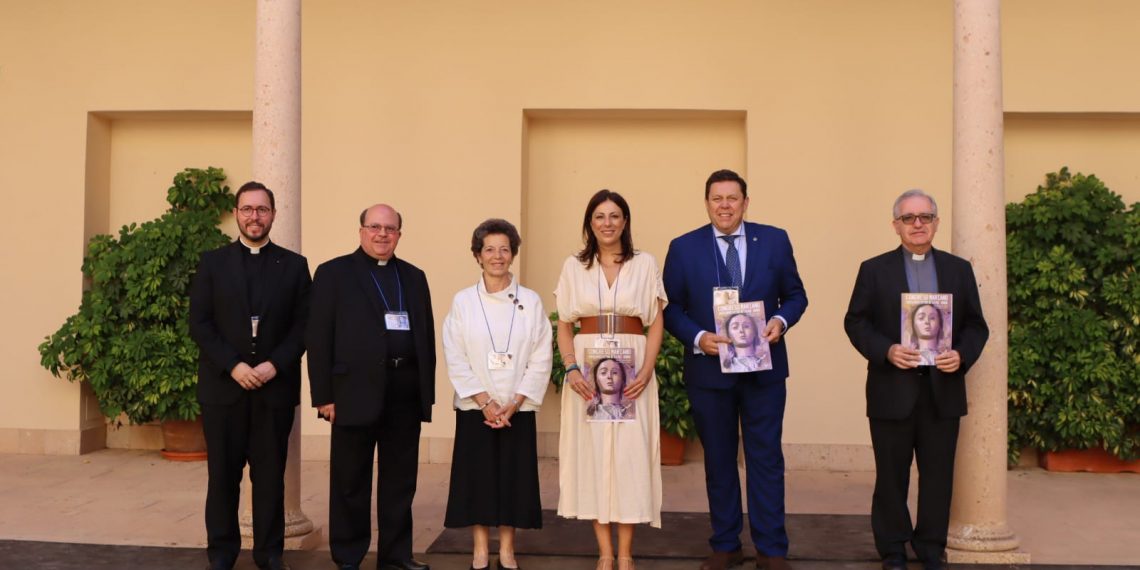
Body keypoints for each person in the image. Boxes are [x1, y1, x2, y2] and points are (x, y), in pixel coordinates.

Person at [662, 169, 808, 570]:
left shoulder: (774, 240)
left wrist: (781, 321)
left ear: (745, 202)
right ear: (706, 203)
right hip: (710, 373)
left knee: (765, 459)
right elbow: (671, 308)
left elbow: (796, 295)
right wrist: (697, 338)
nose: (724, 205)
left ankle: (772, 549)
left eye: (732, 198)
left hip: (765, 372)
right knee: (719, 460)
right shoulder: (684, 247)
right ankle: (726, 544)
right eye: (716, 198)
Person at [843, 189, 989, 570]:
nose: (918, 224)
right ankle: (892, 548)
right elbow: (855, 321)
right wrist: (887, 350)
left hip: (942, 390)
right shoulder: (873, 269)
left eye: (925, 217)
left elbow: (977, 325)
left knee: (938, 476)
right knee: (891, 475)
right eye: (909, 218)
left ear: (936, 222)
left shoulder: (959, 269)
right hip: (892, 388)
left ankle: (929, 546)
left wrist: (962, 355)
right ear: (896, 225)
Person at [189, 181, 311, 570]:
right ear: (237, 214)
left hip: (273, 392)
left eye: (262, 209)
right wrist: (235, 365)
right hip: (224, 389)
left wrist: (274, 364)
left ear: (273, 214)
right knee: (222, 479)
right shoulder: (213, 262)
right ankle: (222, 554)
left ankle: (269, 554)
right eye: (247, 209)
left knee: (271, 480)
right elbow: (201, 323)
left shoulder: (294, 265)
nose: (254, 216)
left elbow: (304, 325)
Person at [307, 204, 436, 570]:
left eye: (390, 229)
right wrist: (323, 396)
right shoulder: (333, 273)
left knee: (400, 482)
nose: (382, 234)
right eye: (375, 227)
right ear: (361, 230)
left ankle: (396, 556)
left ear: (399, 234)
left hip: (404, 394)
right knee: (350, 480)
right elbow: (318, 338)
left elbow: (425, 339)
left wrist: (426, 395)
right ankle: (348, 556)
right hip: (351, 394)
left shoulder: (413, 277)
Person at [555, 189, 667, 570]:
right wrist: (570, 367)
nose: (607, 223)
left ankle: (626, 553)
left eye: (615, 215)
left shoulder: (645, 263)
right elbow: (564, 325)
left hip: (632, 371)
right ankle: (604, 552)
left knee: (631, 458)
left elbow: (656, 322)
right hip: (589, 373)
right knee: (594, 456)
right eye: (600, 216)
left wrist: (648, 369)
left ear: (625, 221)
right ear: (590, 222)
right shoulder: (574, 266)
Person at [442, 219, 551, 570]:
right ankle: (478, 548)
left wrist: (515, 402)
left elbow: (541, 354)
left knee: (512, 481)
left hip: (517, 406)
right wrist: (485, 402)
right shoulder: (463, 302)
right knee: (478, 479)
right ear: (477, 255)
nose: (497, 256)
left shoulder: (531, 302)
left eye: (504, 248)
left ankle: (507, 548)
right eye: (489, 249)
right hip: (477, 409)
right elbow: (454, 353)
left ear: (513, 254)